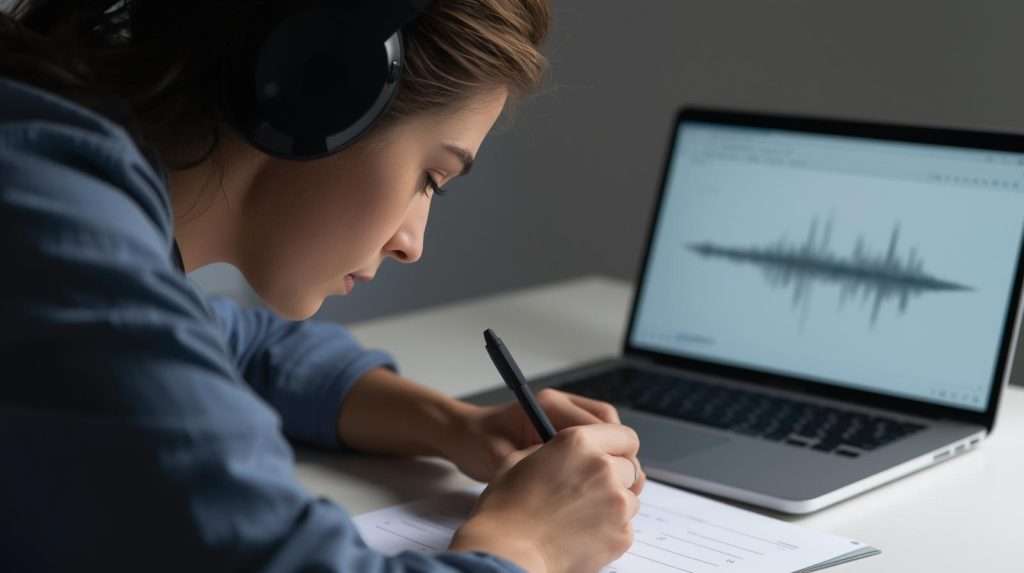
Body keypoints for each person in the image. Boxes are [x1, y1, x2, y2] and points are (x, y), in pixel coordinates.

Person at [0, 1, 646, 572]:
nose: (411, 243)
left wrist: (456, 424)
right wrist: (529, 545)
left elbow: (241, 344)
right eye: (431, 177)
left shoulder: (56, 182)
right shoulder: (52, 234)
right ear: (322, 85)